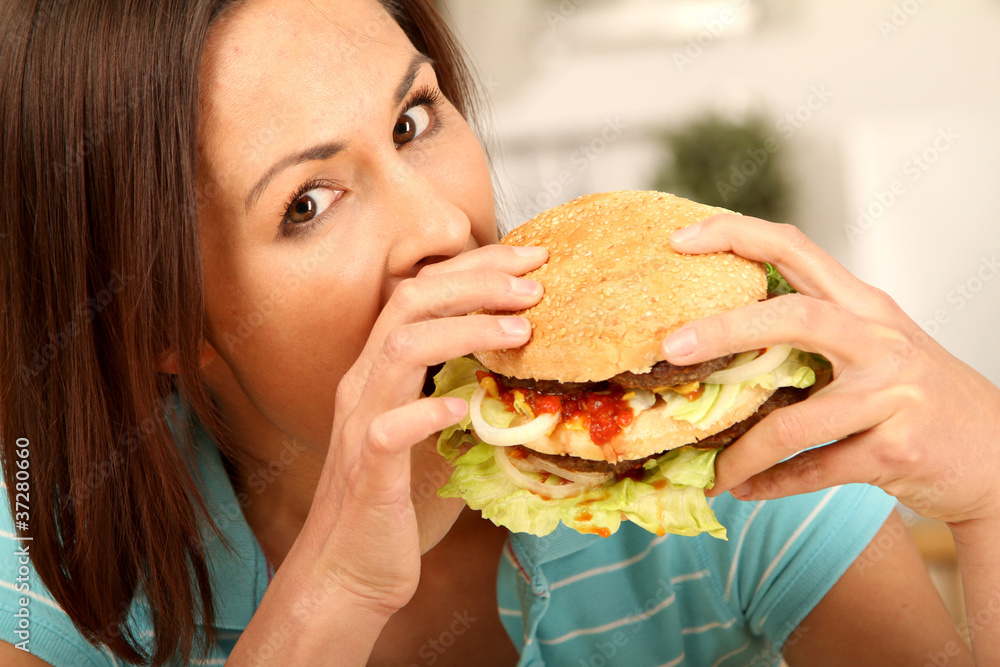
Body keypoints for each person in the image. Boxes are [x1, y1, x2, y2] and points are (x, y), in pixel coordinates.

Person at [0, 1, 996, 666]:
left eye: (412, 122)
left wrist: (990, 498)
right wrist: (335, 592)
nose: (441, 226)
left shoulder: (716, 438)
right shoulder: (47, 544)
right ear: (155, 320)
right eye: (307, 202)